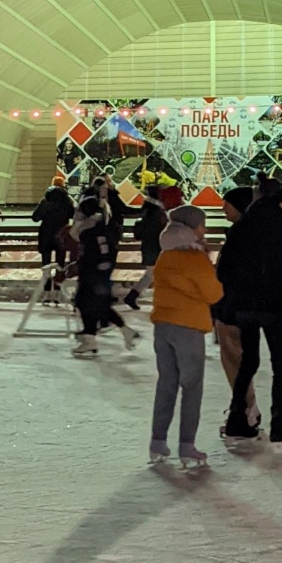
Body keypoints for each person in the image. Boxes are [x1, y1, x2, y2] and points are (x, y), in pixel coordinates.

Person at [218, 176, 282, 443]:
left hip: (245, 306)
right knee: (280, 365)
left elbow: (224, 269)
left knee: (248, 363)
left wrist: (238, 294)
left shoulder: (242, 227)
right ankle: (279, 424)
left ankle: (235, 418)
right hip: (272, 307)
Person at [148, 206, 222, 468]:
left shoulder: (165, 256)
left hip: (163, 326)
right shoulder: (195, 260)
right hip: (188, 327)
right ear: (192, 228)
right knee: (192, 387)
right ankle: (187, 446)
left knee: (166, 383)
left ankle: (157, 441)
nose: (205, 230)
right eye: (202, 225)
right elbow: (214, 294)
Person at [212, 184, 259, 433]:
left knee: (235, 360)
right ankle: (246, 409)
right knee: (240, 360)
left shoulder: (240, 235)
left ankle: (245, 410)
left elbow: (226, 273)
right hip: (243, 307)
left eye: (226, 204)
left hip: (233, 307)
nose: (222, 208)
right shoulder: (250, 232)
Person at [71, 189, 136, 357]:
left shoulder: (90, 231)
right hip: (99, 273)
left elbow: (91, 252)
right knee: (97, 305)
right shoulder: (102, 227)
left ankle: (92, 339)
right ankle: (93, 337)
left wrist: (81, 266)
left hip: (92, 274)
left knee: (87, 304)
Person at [125, 182, 167, 310]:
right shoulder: (155, 211)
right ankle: (134, 297)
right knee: (154, 274)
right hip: (154, 246)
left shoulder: (148, 208)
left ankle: (132, 296)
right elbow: (157, 229)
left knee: (151, 275)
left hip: (149, 246)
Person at [31, 179, 74, 299]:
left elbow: (35, 217)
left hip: (46, 235)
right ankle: (57, 289)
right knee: (60, 263)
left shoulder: (45, 200)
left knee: (46, 264)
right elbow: (73, 215)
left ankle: (46, 291)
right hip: (60, 235)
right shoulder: (67, 200)